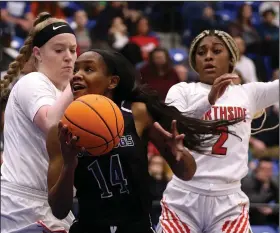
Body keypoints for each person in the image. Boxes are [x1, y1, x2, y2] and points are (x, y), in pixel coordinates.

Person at [46, 49, 242, 233]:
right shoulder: (60, 130)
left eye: (88, 69)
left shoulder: (137, 114)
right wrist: (69, 165)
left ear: (112, 82)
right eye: (76, 69)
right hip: (89, 227)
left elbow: (187, 172)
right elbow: (59, 210)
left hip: (137, 227)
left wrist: (178, 154)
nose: (77, 75)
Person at [156, 30, 279, 233]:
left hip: (229, 202)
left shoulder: (247, 93)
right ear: (194, 61)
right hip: (184, 198)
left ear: (232, 58)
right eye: (201, 52)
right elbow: (174, 123)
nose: (208, 56)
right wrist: (208, 100)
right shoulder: (182, 90)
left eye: (216, 50)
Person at [1, 12, 77, 232]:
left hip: (53, 201)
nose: (69, 57)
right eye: (59, 50)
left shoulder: (62, 92)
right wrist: (77, 81)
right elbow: (50, 123)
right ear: (38, 53)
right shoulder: (33, 81)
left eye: (73, 50)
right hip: (22, 204)